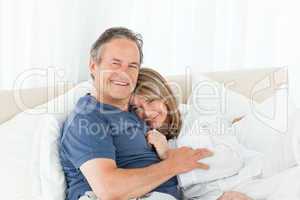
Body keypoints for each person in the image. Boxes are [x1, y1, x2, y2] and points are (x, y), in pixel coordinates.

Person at [59, 27, 213, 200]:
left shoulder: (138, 114)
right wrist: (173, 165)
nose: (124, 73)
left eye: (132, 66)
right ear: (94, 66)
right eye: (115, 63)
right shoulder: (87, 118)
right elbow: (109, 189)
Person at [130, 68, 252, 200]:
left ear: (165, 96)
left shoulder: (199, 117)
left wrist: (169, 155)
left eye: (151, 100)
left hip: (239, 185)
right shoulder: (139, 140)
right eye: (137, 108)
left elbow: (232, 159)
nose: (147, 113)